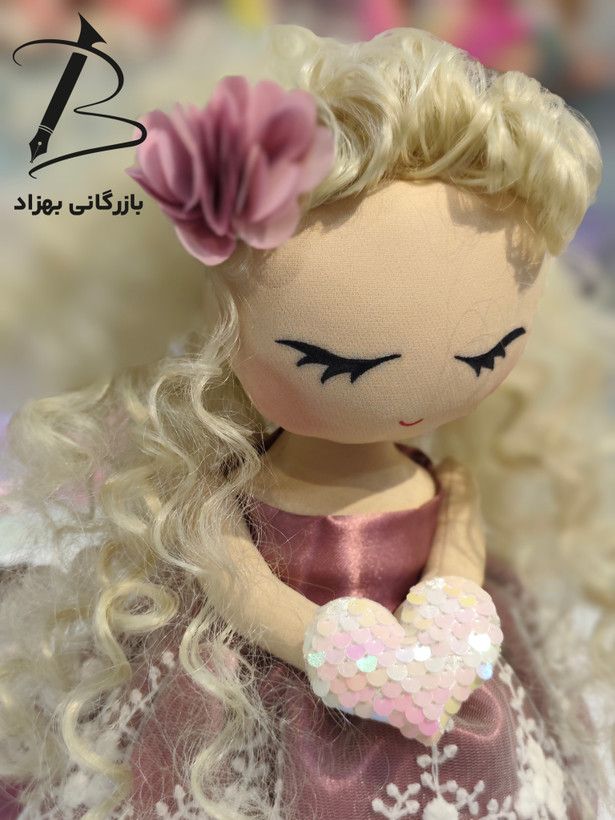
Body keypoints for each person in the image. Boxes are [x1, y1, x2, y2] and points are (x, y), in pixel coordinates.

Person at [0, 24, 611, 820]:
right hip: (248, 709)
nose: (410, 397)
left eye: (485, 356)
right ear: (218, 323)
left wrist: (445, 640)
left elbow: (458, 568)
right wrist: (341, 656)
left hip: (448, 693)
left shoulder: (449, 485)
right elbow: (244, 593)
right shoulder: (227, 498)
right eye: (342, 366)